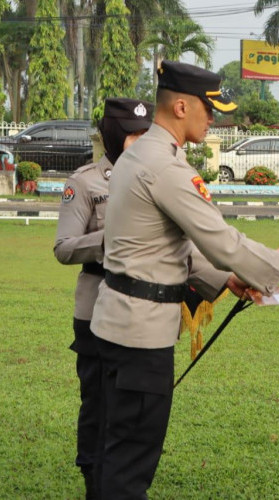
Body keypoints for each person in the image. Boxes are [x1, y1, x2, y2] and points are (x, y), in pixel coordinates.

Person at [89, 60, 279, 499]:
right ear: (180, 106)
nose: (214, 118)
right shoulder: (165, 168)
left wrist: (228, 279)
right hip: (141, 335)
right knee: (130, 463)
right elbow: (219, 240)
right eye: (208, 108)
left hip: (116, 322)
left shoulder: (137, 155)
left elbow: (163, 246)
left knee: (113, 448)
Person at [54, 97, 154, 498]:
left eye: (146, 135)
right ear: (113, 136)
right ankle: (94, 482)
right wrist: (112, 240)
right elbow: (64, 248)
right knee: (99, 403)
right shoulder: (86, 182)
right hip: (96, 307)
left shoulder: (157, 177)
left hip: (142, 309)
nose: (141, 142)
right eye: (133, 135)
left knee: (133, 405)